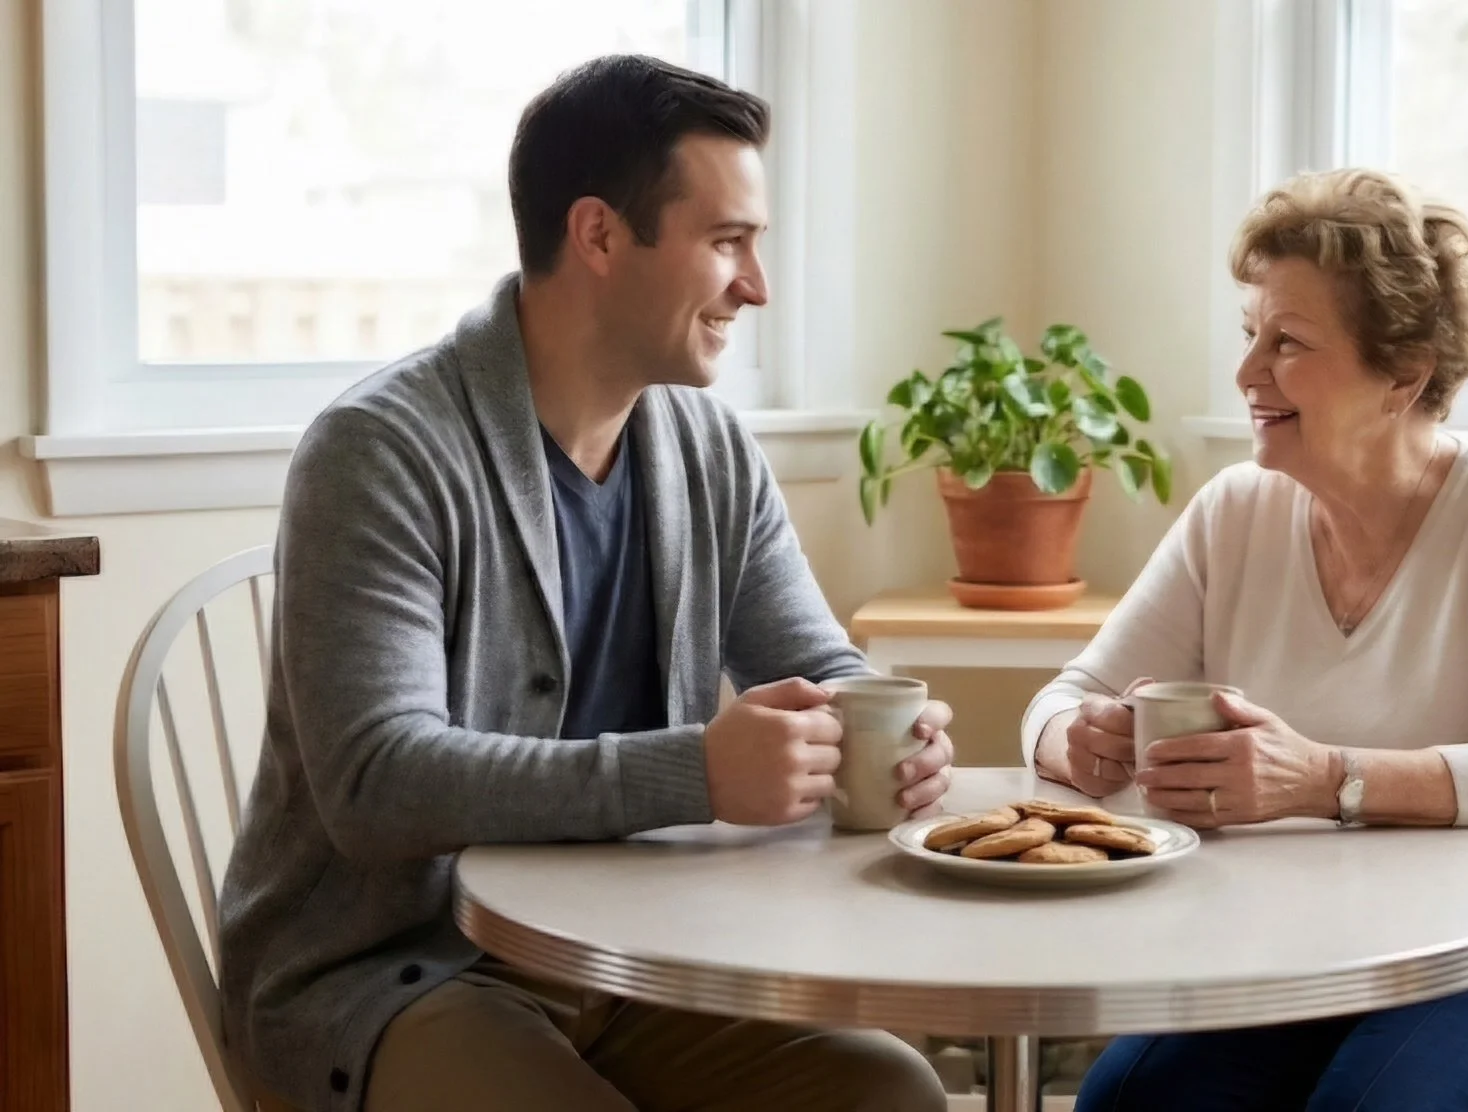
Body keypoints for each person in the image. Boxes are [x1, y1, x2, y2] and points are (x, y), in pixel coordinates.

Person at [219, 56, 954, 1112]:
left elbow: (818, 664)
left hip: (629, 956)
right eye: (726, 242)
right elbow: (376, 783)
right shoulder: (377, 450)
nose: (757, 285)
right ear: (600, 235)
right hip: (393, 973)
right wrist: (695, 773)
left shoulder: (709, 450)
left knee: (894, 1094)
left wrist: (891, 726)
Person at [1022, 169, 1468, 1111]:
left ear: (1405, 375)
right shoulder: (1234, 511)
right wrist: (1079, 740)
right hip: (1308, 963)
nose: (1246, 374)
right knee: (1123, 1106)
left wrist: (1322, 778)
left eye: (1289, 344)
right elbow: (1058, 699)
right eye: (1251, 338)